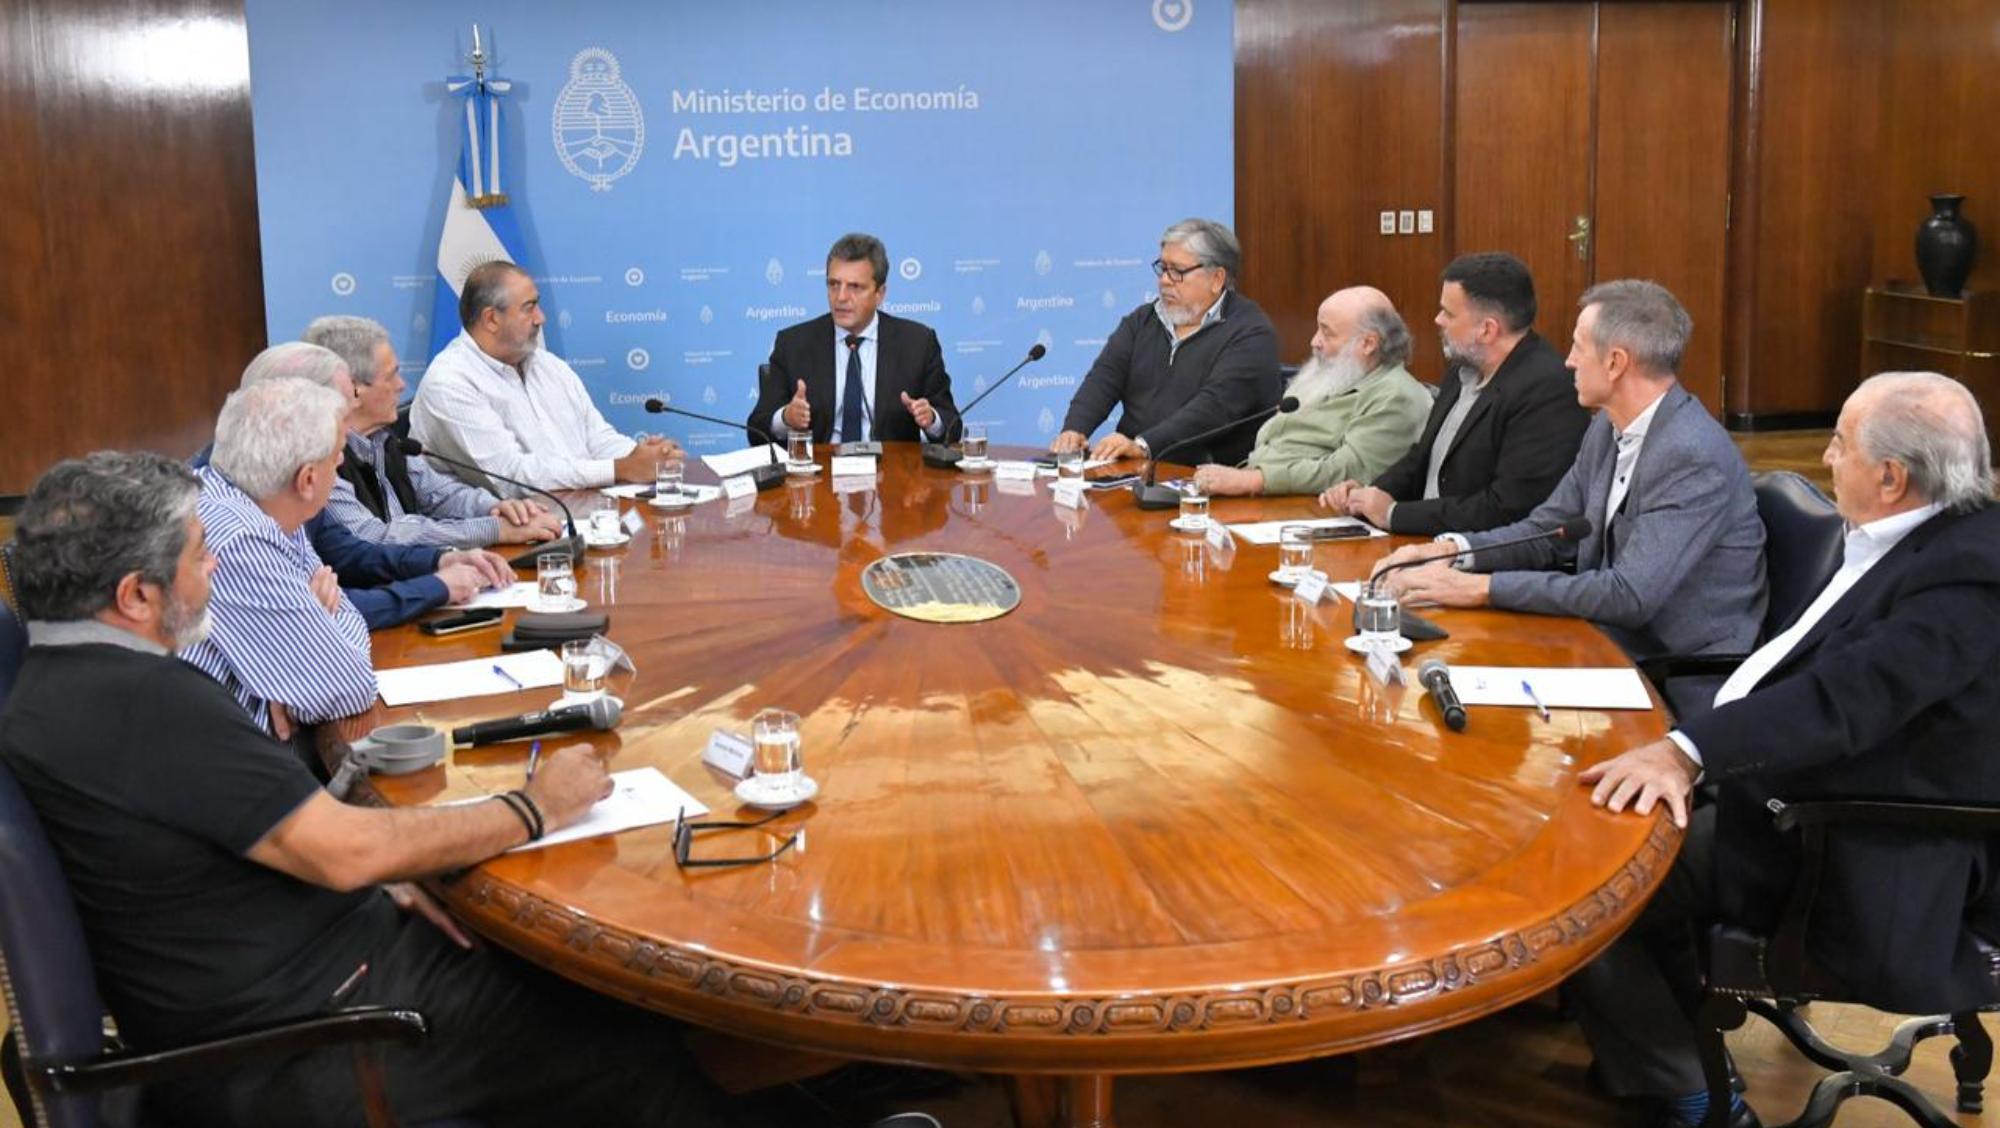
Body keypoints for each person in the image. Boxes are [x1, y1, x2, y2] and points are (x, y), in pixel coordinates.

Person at [0, 450, 745, 1127]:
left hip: (289, 984)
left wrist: (391, 867)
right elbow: (347, 850)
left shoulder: (50, 690)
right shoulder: (147, 701)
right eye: (201, 556)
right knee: (625, 1029)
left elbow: (255, 845)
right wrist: (534, 805)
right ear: (135, 595)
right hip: (318, 1038)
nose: (215, 573)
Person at [1572, 372, 2000, 1128]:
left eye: (1840, 441)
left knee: (1593, 888)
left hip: (1859, 846)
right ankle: (1663, 1040)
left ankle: (1690, 1088)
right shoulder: (1914, 534)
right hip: (1780, 787)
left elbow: (1844, 702)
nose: (1827, 456)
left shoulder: (1968, 575)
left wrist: (1685, 753)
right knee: (1604, 830)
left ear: (1892, 477)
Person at [1369, 280, 1766, 664]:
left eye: (1578, 347)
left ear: (1615, 363)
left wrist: (1478, 588)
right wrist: (1453, 551)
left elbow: (1629, 595)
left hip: (1675, 665)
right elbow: (1547, 529)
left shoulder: (1691, 454)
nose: (1568, 361)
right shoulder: (1606, 427)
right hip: (1604, 638)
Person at [199, 342, 511, 631]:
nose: (347, 437)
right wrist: (436, 586)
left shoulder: (279, 478)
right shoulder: (232, 522)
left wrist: (439, 560)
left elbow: (348, 554)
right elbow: (325, 620)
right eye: (341, 417)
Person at [1319, 252, 1589, 534]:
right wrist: (1368, 494)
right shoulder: (1464, 369)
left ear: (1486, 330)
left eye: (1448, 313)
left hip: (1481, 560)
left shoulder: (1546, 390)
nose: (1438, 320)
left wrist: (1393, 514)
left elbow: (1508, 508)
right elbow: (1422, 458)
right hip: (1425, 540)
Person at [411, 259, 679, 495]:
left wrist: (644, 457)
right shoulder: (450, 382)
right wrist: (621, 468)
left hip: (575, 514)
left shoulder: (548, 365)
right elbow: (511, 479)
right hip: (496, 540)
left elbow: (596, 438)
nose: (542, 318)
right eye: (529, 308)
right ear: (491, 319)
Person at [306, 314, 564, 547]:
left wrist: (497, 508)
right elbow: (374, 536)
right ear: (353, 389)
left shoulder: (385, 441)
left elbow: (441, 494)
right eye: (391, 376)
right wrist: (492, 530)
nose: (401, 385)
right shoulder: (320, 458)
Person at [1054, 218, 1281, 467]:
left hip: (1208, 478)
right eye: (1163, 268)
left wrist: (1144, 445)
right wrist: (1075, 429)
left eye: (1177, 271)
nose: (1164, 280)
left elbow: (1214, 408)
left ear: (1217, 279)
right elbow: (1103, 379)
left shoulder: (1250, 333)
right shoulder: (1143, 320)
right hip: (1134, 469)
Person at [1189, 286, 1429, 497]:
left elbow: (1347, 471)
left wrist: (1254, 481)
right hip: (1261, 497)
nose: (1314, 341)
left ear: (1368, 343)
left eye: (1327, 332)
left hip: (1313, 514)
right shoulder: (1333, 376)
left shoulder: (1396, 396)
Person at [748, 232, 959, 447]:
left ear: (880, 293)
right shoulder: (793, 344)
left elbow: (952, 425)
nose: (841, 297)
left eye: (855, 287)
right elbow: (757, 430)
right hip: (818, 471)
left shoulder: (918, 343)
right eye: (834, 284)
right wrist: (786, 418)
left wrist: (931, 419)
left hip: (892, 471)